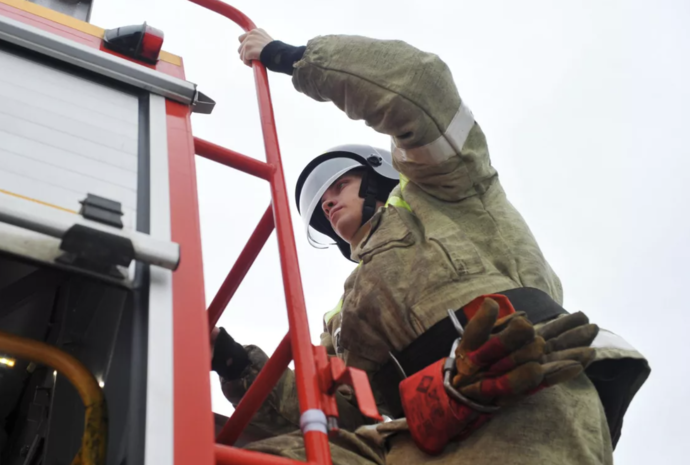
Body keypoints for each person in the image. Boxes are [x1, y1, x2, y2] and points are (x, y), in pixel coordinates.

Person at [209, 29, 650, 464]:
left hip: (522, 389)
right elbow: (331, 412)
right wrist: (231, 360)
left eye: (340, 182)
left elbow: (420, 86)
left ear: (380, 176)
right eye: (319, 206)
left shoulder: (446, 193)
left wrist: (293, 58)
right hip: (415, 434)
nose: (327, 201)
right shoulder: (344, 320)